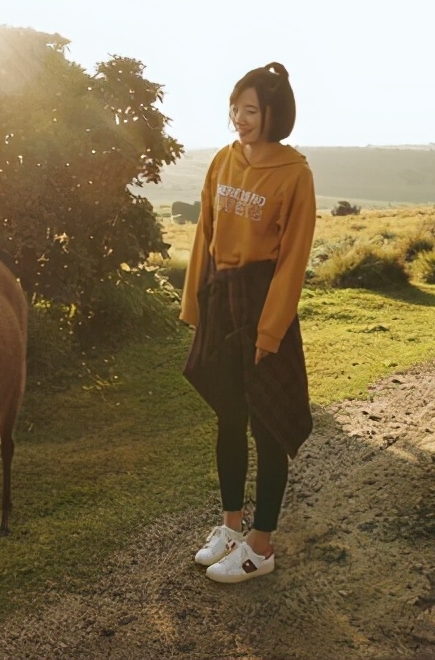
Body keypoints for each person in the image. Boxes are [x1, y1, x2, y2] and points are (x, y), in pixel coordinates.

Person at [179, 64, 317, 584]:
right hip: (222, 297)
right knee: (228, 415)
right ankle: (231, 528)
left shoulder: (294, 173)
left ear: (275, 114)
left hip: (263, 302)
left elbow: (293, 258)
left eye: (252, 110)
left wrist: (270, 330)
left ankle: (261, 544)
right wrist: (196, 302)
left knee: (268, 424)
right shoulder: (223, 159)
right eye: (236, 107)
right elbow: (205, 232)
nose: (240, 118)